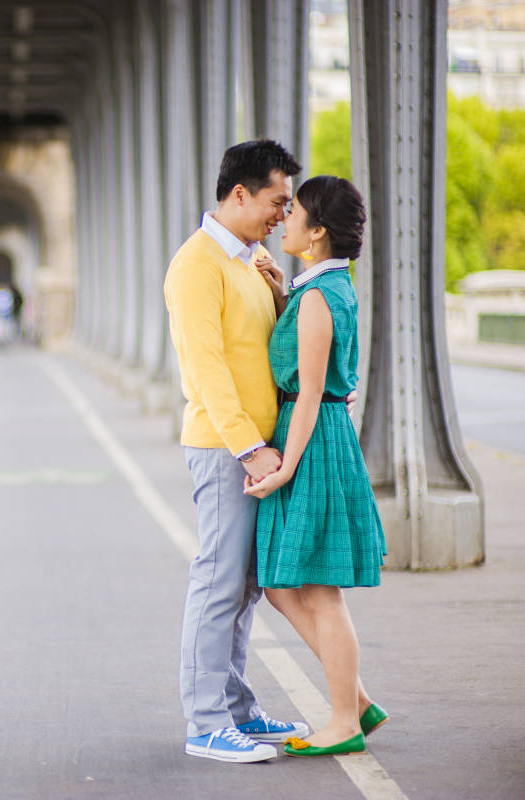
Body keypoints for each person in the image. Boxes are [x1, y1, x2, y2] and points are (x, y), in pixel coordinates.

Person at [164, 140, 309, 764]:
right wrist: (251, 450)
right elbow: (207, 371)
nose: (284, 215)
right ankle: (205, 723)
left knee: (244, 586)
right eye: (277, 202)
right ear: (240, 194)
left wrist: (279, 295)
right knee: (219, 582)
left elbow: (258, 350)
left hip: (253, 449)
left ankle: (238, 711)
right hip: (227, 450)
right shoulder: (196, 265)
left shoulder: (250, 261)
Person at [242, 175, 388, 757]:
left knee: (321, 592)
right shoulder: (322, 290)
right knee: (282, 585)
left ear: (317, 231)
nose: (285, 218)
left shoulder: (320, 298)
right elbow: (309, 362)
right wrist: (283, 298)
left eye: (294, 210)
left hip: (313, 444)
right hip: (320, 437)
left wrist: (284, 468)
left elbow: (306, 394)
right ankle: (353, 699)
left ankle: (344, 723)